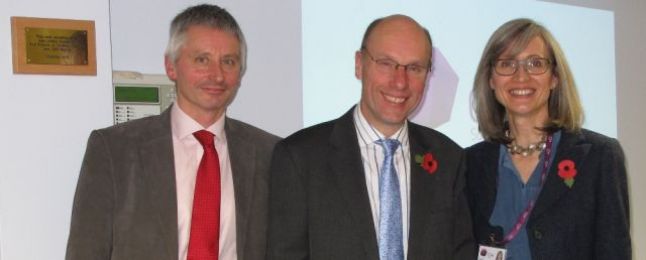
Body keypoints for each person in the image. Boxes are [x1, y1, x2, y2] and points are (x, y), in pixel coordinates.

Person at [65, 4, 279, 260]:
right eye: (202, 59)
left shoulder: (271, 154)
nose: (217, 75)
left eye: (229, 62)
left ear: (240, 72)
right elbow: (85, 252)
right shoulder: (115, 150)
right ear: (171, 67)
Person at [267, 14, 474, 260]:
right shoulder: (299, 158)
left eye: (415, 68)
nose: (400, 82)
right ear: (359, 64)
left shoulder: (448, 159)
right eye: (386, 63)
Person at [467, 18, 631, 259]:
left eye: (535, 63)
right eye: (506, 63)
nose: (521, 76)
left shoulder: (600, 156)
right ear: (491, 79)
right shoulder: (469, 163)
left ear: (554, 77)